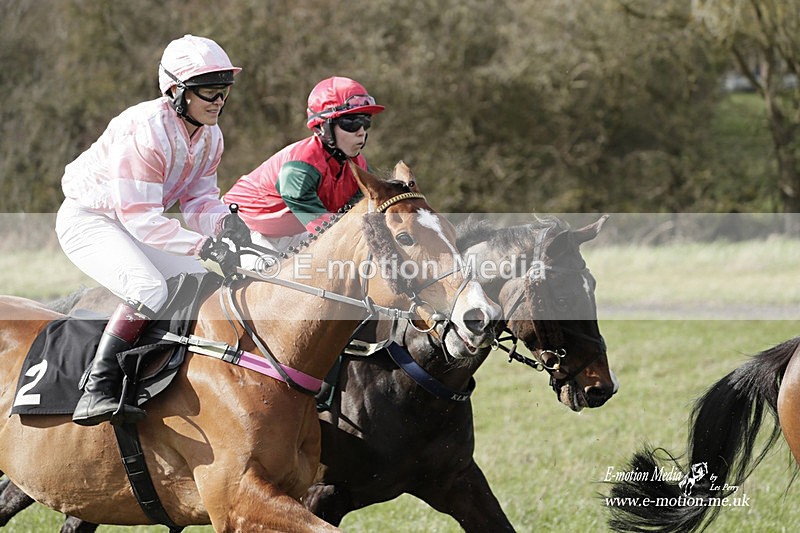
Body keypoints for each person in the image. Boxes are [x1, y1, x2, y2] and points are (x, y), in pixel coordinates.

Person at [55, 34, 251, 426]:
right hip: (90, 220)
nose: (219, 102)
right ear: (176, 92)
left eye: (224, 92)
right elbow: (141, 217)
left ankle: (162, 374)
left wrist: (224, 221)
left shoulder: (210, 135)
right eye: (209, 92)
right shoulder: (143, 131)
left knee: (201, 282)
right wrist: (204, 246)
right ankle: (98, 387)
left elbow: (198, 200)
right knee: (148, 288)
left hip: (133, 223)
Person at [223, 76, 384, 260]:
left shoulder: (358, 165)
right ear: (323, 126)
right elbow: (330, 234)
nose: (361, 131)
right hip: (243, 227)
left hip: (291, 231)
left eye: (366, 121)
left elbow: (365, 214)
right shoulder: (301, 167)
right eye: (351, 122)